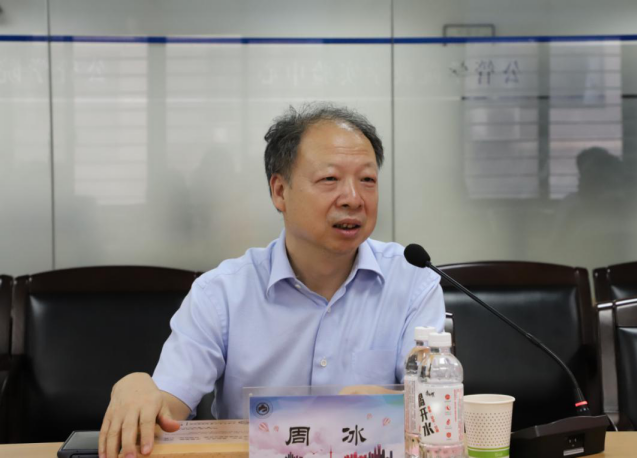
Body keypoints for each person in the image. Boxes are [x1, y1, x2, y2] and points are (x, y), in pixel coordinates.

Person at [99, 103, 446, 458]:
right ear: (280, 191)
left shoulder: (413, 283)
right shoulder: (222, 294)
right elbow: (167, 412)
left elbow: (434, 410)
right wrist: (139, 392)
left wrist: (387, 405)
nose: (353, 199)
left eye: (367, 180)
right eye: (330, 179)